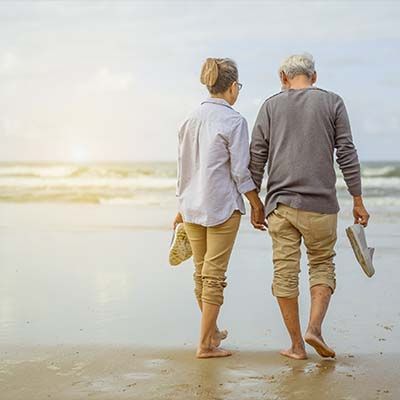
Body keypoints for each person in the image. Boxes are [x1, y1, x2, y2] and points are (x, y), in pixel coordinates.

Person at [249, 53, 370, 360]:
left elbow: (256, 157)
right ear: (314, 77)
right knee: (321, 265)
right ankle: (314, 329)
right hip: (321, 205)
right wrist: (357, 198)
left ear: (283, 77)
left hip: (281, 205)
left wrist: (254, 202)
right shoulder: (333, 102)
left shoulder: (270, 106)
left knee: (285, 273)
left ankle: (296, 345)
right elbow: (346, 153)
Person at [174, 57, 265, 359]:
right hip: (222, 206)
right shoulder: (234, 121)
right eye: (238, 86)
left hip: (191, 206)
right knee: (213, 276)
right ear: (232, 87)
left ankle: (211, 334)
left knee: (201, 273)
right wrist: (255, 203)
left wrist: (179, 205)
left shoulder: (189, 118)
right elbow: (240, 171)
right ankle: (204, 345)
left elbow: (182, 167)